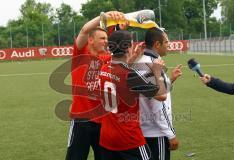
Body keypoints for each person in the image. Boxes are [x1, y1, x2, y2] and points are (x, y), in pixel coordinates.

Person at [65, 11, 126, 160]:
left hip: (103, 120)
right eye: (102, 39)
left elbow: (121, 54)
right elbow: (85, 30)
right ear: (90, 40)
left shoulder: (106, 57)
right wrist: (103, 17)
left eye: (107, 38)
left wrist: (121, 28)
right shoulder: (80, 54)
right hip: (82, 119)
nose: (106, 41)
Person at [99, 30, 167, 160]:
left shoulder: (104, 69)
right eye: (131, 44)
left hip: (106, 138)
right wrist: (157, 72)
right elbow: (161, 95)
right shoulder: (131, 75)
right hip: (128, 139)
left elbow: (121, 73)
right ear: (128, 48)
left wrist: (134, 57)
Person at [133, 27, 182, 160]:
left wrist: (170, 80)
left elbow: (152, 92)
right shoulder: (151, 64)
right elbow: (158, 104)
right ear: (157, 44)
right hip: (156, 133)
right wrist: (170, 134)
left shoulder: (145, 61)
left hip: (149, 131)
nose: (169, 44)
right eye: (166, 42)